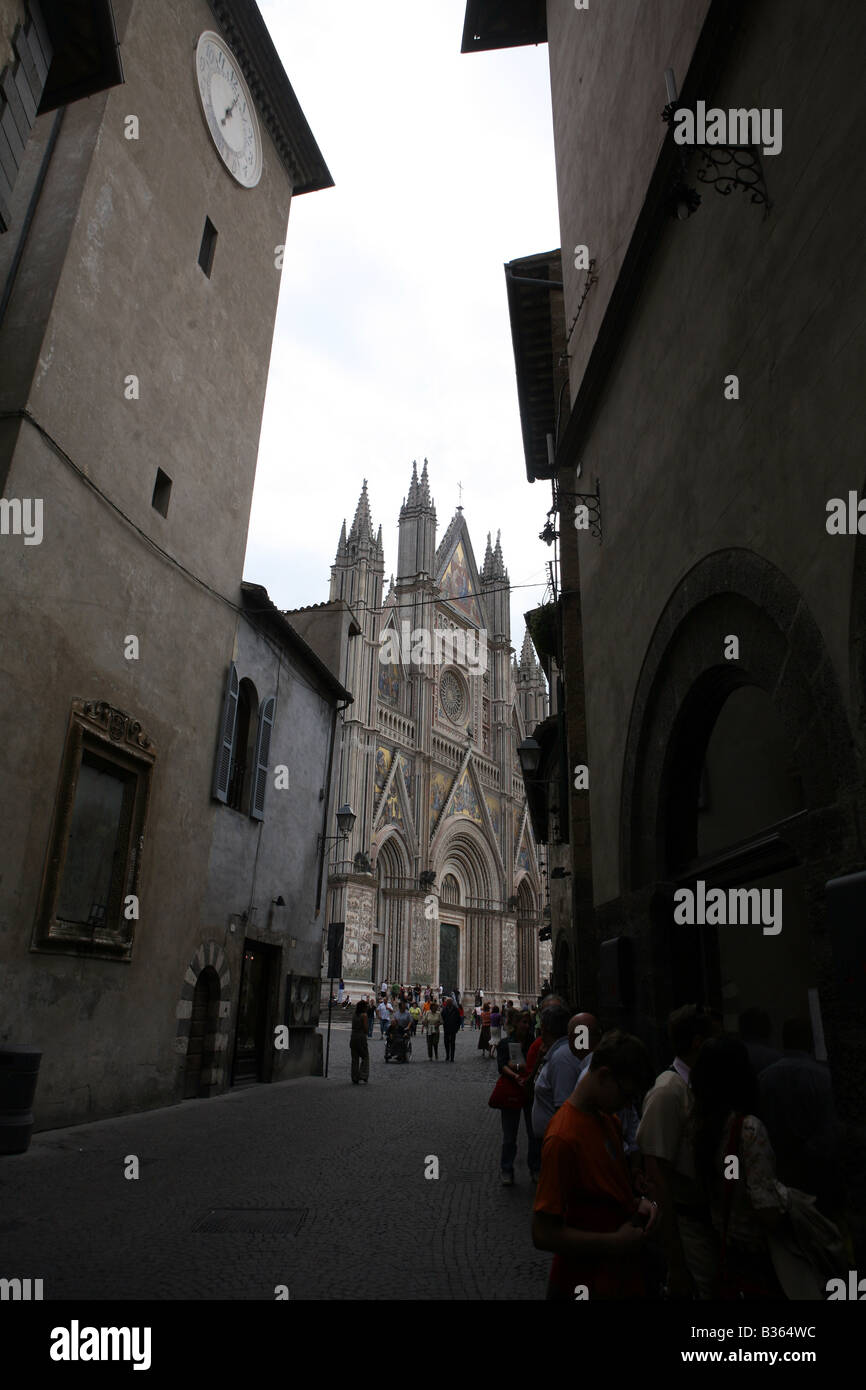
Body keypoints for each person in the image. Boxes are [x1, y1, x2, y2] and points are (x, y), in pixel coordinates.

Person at [532, 1030, 657, 1300]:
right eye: (626, 1095)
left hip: (618, 1279)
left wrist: (638, 1204)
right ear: (603, 1076)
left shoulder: (608, 1121)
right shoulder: (563, 1138)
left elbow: (606, 1191)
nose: (627, 1104)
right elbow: (542, 1234)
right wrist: (613, 1243)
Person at [690, 1036, 788, 1298]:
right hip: (755, 1252)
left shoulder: (702, 1127)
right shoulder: (749, 1129)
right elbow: (766, 1206)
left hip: (723, 1244)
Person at [636, 1004, 721, 1299]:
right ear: (699, 1042)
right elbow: (656, 1174)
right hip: (686, 1227)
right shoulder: (667, 1091)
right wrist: (675, 1262)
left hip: (708, 1223)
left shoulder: (702, 1086)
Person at [758, 1018, 842, 1219]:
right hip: (817, 1173)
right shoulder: (824, 1077)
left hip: (779, 1171)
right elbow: (830, 1132)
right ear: (811, 1042)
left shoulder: (765, 1077)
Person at [497, 1010, 542, 1185]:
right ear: (515, 1024)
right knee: (509, 1136)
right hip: (511, 1091)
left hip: (530, 1092)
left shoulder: (535, 1042)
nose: (526, 1025)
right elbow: (501, 1066)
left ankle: (535, 1168)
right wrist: (515, 1075)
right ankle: (507, 1169)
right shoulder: (506, 1043)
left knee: (533, 1133)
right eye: (523, 1022)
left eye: (528, 1022)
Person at [531, 1005, 581, 1138]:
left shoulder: (562, 1058)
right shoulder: (556, 1052)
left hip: (556, 1138)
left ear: (545, 1028)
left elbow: (564, 1109)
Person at [350, 1001, 370, 1085]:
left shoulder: (354, 1015)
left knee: (354, 1058)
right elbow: (365, 1028)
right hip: (361, 1037)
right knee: (365, 1056)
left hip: (353, 1037)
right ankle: (363, 1074)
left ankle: (354, 1077)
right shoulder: (364, 1015)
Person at [442, 996, 460, 1061]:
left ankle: (452, 1057)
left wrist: (457, 1028)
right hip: (446, 1028)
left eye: (449, 1002)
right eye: (447, 1002)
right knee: (446, 1042)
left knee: (452, 1043)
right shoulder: (444, 1009)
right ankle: (447, 1055)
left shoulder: (456, 1009)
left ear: (452, 1002)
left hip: (453, 1029)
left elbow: (459, 1019)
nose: (448, 1003)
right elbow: (442, 1017)